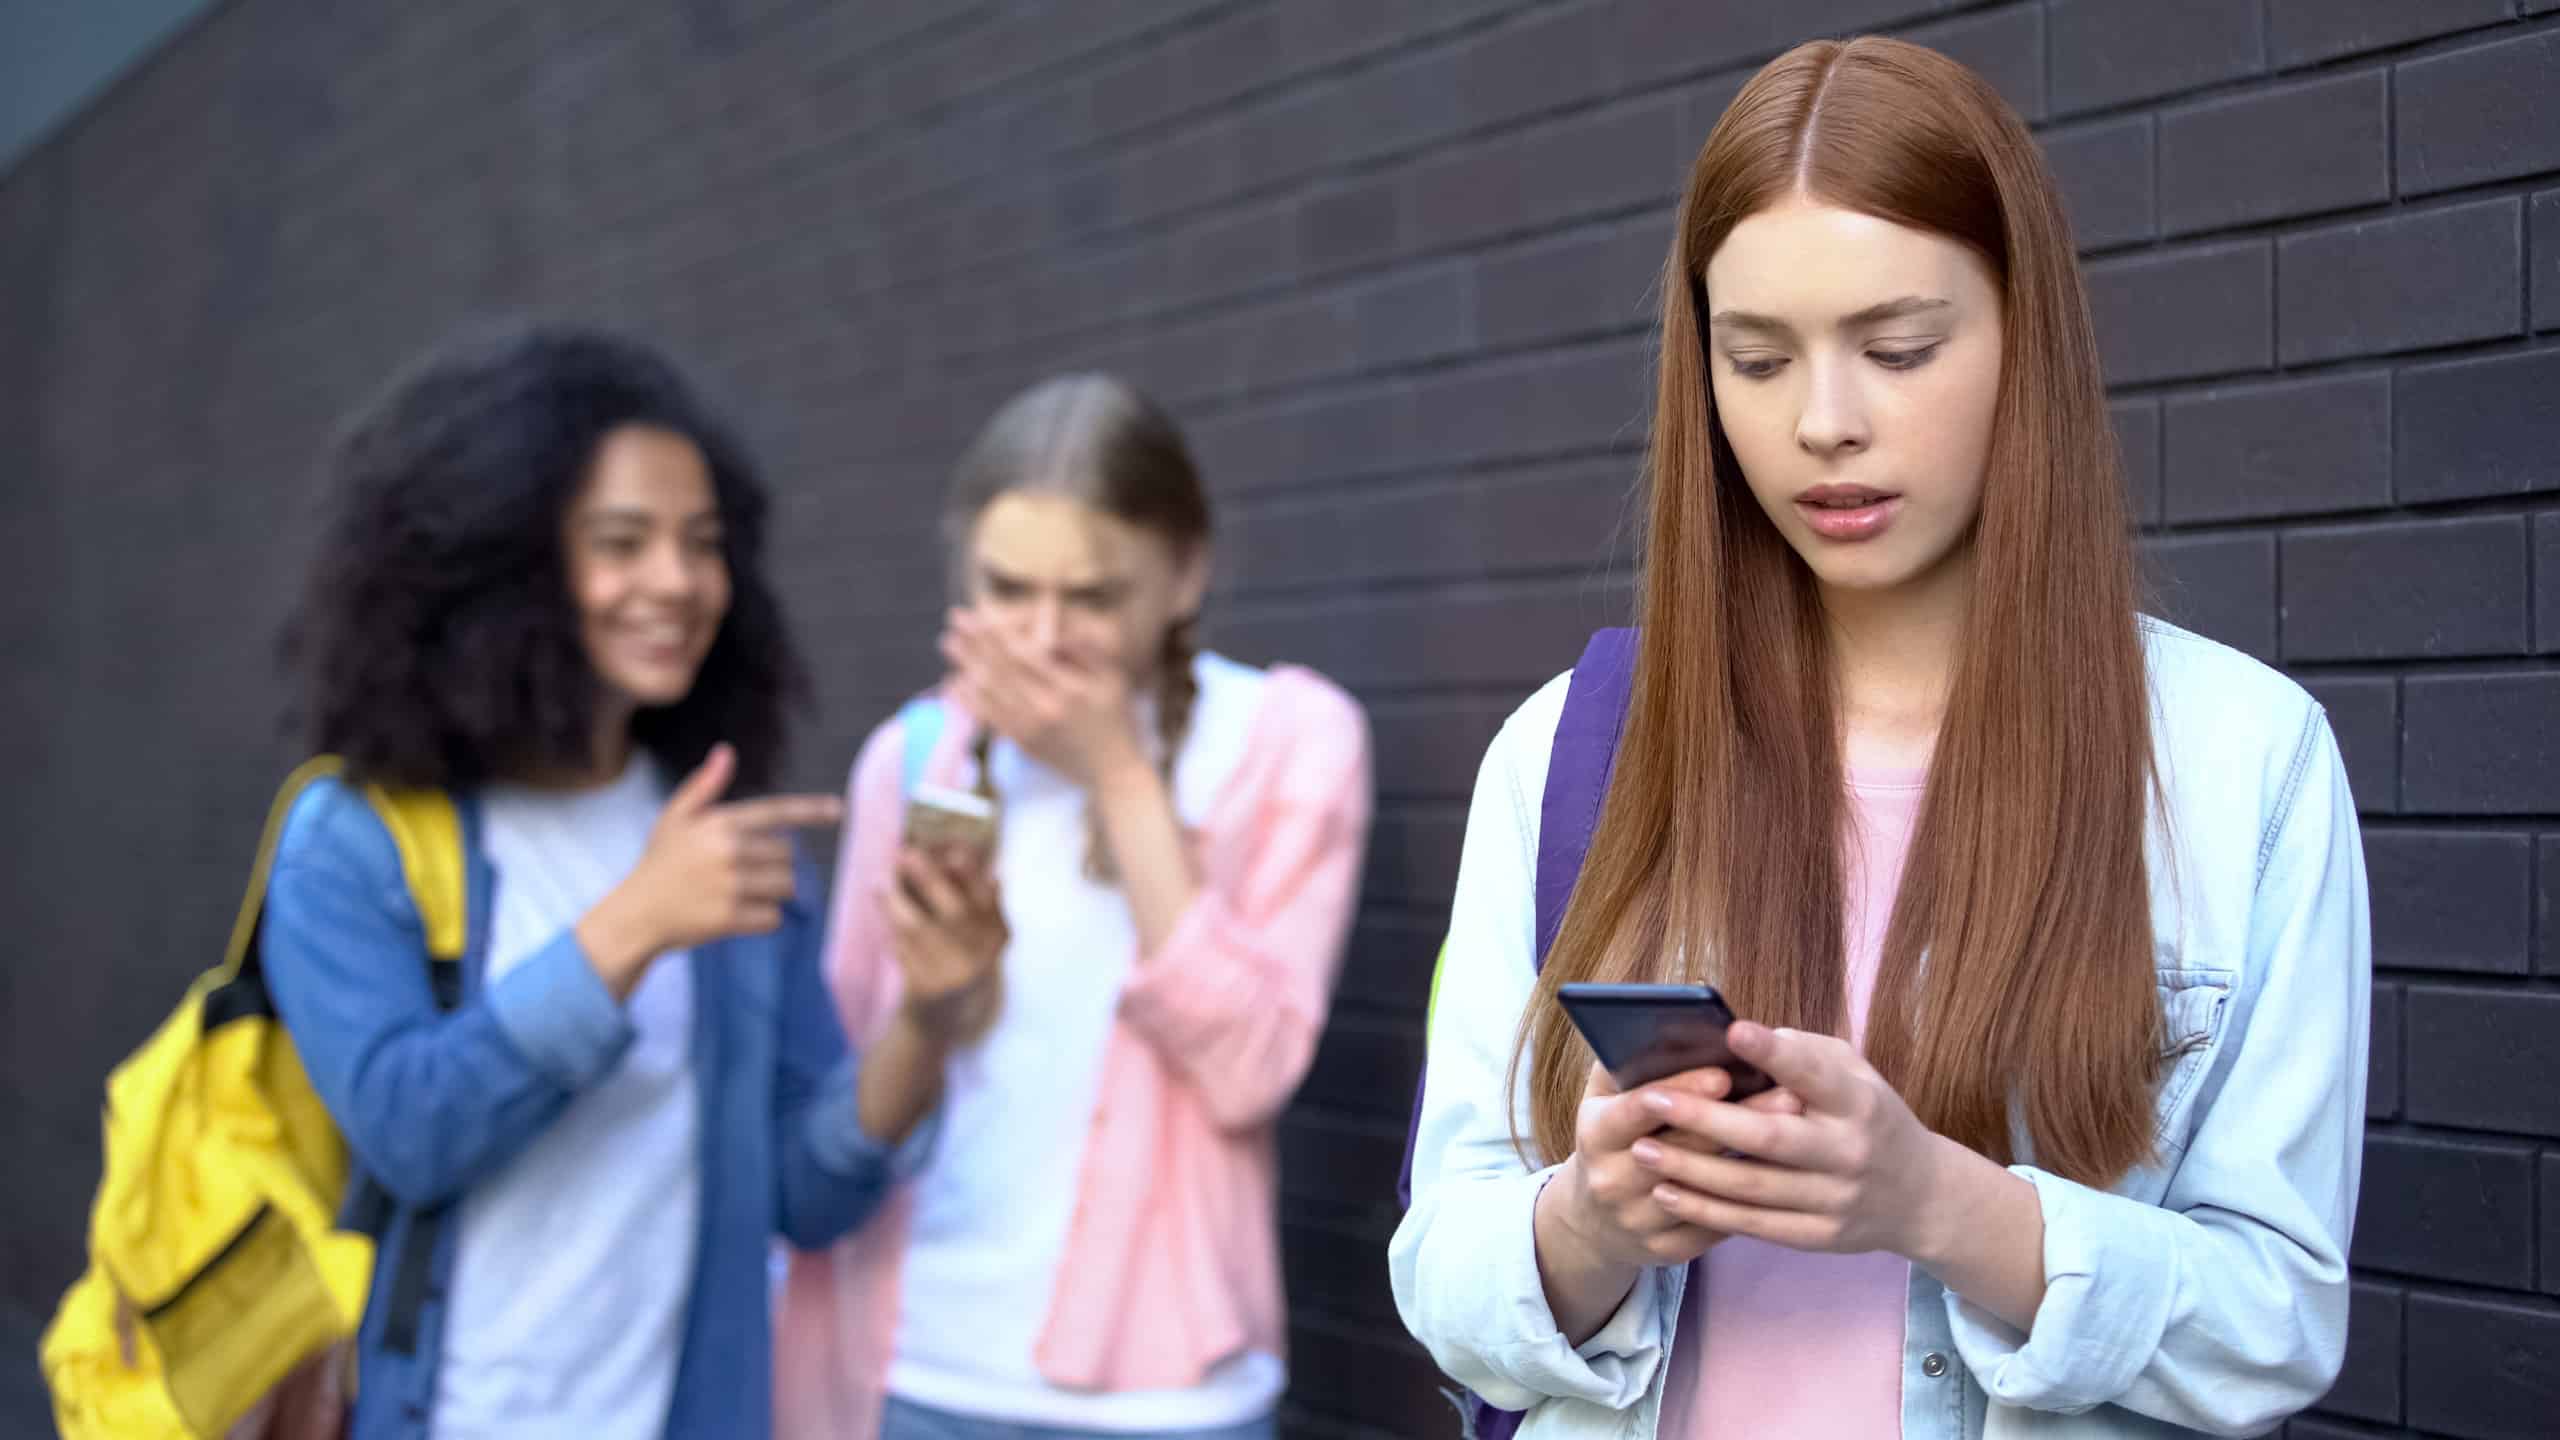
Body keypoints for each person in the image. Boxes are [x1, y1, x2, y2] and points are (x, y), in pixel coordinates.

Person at [1390, 37, 2370, 1439]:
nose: (1823, 424)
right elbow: (1441, 1275)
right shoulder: (1566, 753)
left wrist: (1939, 1206)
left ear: (2025, 336)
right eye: (1758, 359)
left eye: (1898, 348)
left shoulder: (2242, 762)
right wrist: (1595, 1220)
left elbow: (2275, 1327)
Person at [263, 326, 944, 1440]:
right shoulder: (354, 837)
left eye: (702, 543)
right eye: (622, 543)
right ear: (504, 566)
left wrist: (930, 1019)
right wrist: (632, 925)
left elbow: (805, 1195)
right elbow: (411, 1134)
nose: (677, 583)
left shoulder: (722, 836)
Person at [774, 374, 1373, 1440]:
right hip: (925, 1371)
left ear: (1185, 573)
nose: (1044, 638)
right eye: (1007, 590)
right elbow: (840, 1113)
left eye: (1092, 598)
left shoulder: (1288, 739)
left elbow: (1253, 1070)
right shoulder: (910, 757)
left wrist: (1119, 774)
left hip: (1171, 1396)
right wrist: (930, 1008)